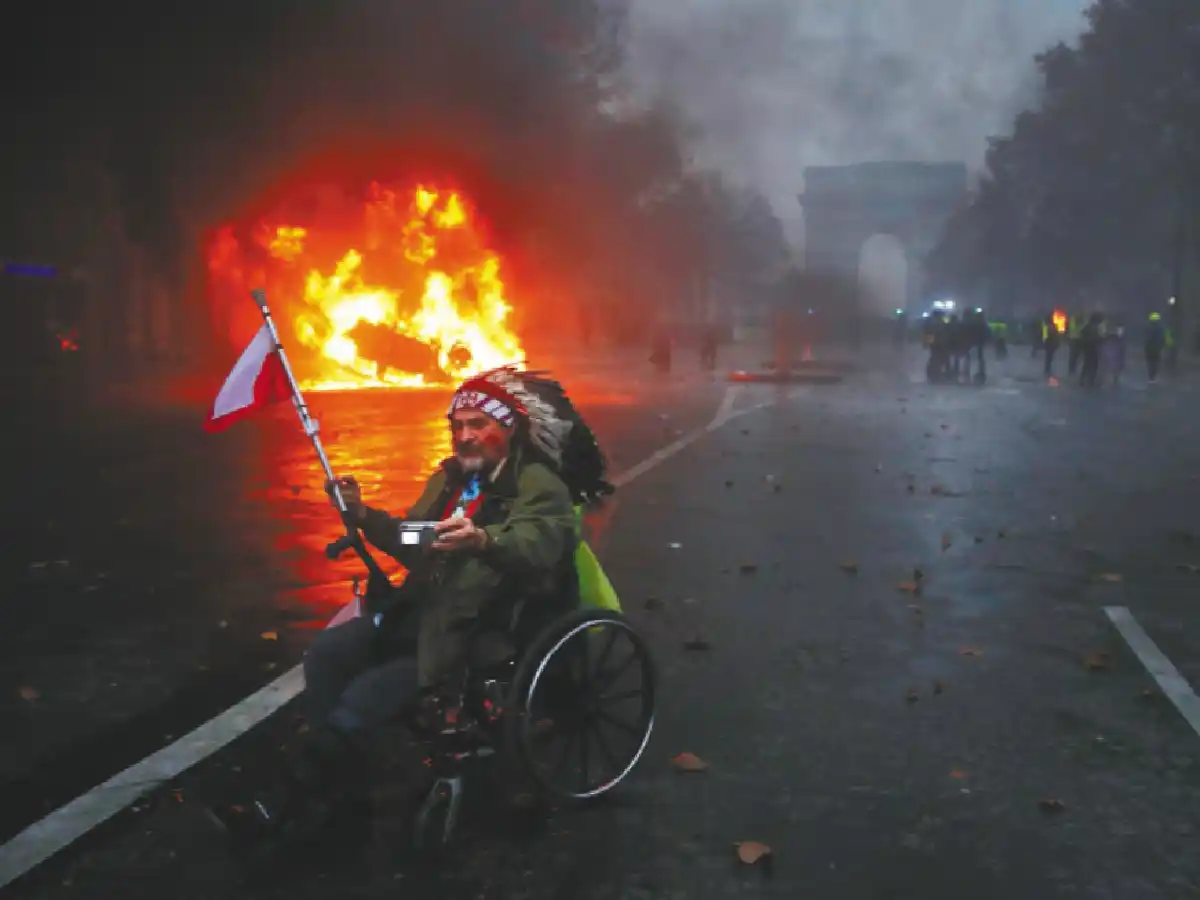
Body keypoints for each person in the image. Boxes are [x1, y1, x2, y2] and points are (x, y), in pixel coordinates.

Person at [207, 367, 607, 873]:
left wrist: (485, 541)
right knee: (328, 656)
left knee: (364, 697)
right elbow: (415, 541)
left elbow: (540, 545)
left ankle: (278, 807)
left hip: (480, 627)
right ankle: (345, 790)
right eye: (457, 425)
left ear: (509, 428)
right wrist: (364, 516)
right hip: (419, 611)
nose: (465, 435)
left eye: (478, 423)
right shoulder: (450, 479)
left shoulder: (537, 484)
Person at [1079, 312, 1105, 387]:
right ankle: (1090, 381)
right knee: (1091, 365)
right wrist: (1101, 339)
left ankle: (1084, 380)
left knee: (1088, 365)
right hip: (1091, 349)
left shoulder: (1088, 327)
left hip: (1089, 349)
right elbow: (1094, 338)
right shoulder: (1091, 328)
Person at [1145, 312, 1167, 382]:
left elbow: (1146, 339)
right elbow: (1162, 338)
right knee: (1155, 362)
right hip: (1156, 348)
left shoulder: (1148, 328)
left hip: (1151, 348)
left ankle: (1151, 376)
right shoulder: (1159, 329)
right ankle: (1153, 376)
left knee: (1151, 363)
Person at [1042, 312, 1062, 383]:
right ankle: (1047, 370)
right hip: (1050, 343)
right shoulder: (1051, 326)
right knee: (1049, 357)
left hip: (1049, 343)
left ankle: (1047, 369)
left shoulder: (1047, 326)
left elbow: (1045, 336)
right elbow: (1054, 335)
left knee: (1049, 357)